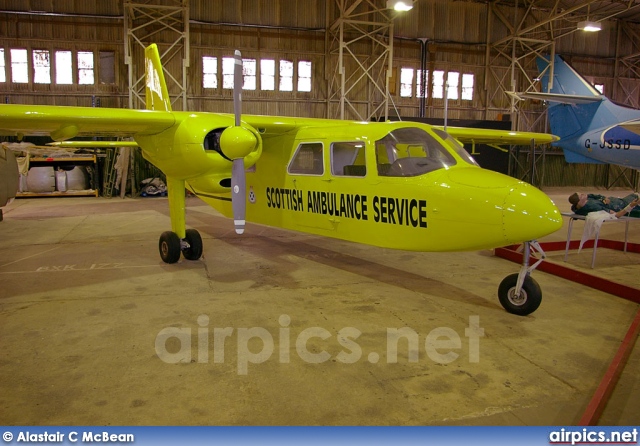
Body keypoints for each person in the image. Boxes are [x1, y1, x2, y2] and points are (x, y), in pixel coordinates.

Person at [568, 192, 640, 218]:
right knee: (636, 195)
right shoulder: (593, 207)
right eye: (581, 195)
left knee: (636, 194)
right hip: (623, 205)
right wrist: (630, 206)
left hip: (620, 201)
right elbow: (615, 214)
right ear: (579, 202)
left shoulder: (579, 205)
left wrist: (603, 198)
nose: (584, 194)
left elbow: (594, 195)